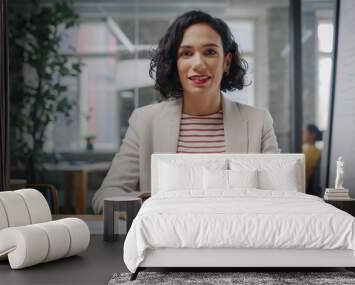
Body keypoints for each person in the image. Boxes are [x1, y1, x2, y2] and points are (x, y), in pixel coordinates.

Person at [92, 10, 279, 213]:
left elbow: (282, 195)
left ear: (226, 62)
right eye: (186, 53)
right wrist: (152, 205)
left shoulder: (258, 122)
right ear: (175, 63)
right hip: (165, 240)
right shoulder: (144, 121)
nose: (198, 64)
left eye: (210, 52)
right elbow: (105, 197)